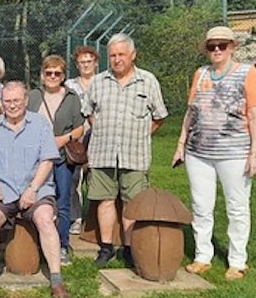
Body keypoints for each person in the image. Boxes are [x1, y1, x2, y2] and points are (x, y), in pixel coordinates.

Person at [172, 26, 256, 281]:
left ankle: (238, 260)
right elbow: (191, 112)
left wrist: (254, 153)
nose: (216, 50)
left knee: (237, 207)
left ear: (232, 47)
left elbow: (255, 114)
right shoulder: (200, 74)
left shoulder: (247, 72)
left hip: (235, 152)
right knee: (201, 205)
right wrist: (181, 144)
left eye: (221, 46)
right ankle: (203, 256)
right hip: (198, 152)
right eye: (211, 46)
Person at [0, 81, 70, 298]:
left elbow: (47, 160)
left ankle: (57, 282)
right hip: (3, 190)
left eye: (16, 100)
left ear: (26, 100)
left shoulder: (41, 125)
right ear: (2, 102)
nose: (12, 105)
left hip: (36, 189)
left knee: (45, 219)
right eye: (7, 101)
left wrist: (33, 189)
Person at [82, 33, 168, 268]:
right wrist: (99, 129)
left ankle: (130, 248)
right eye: (113, 55)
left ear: (133, 55)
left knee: (133, 202)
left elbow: (160, 117)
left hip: (135, 154)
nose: (117, 59)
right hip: (103, 153)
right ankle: (106, 247)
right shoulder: (99, 81)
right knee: (105, 200)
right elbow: (88, 111)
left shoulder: (148, 81)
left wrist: (141, 134)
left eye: (121, 54)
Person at [27, 55, 84, 265]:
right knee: (36, 199)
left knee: (62, 201)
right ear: (42, 75)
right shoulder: (33, 96)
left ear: (63, 75)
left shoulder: (71, 97)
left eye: (57, 73)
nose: (52, 76)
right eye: (49, 72)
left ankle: (61, 245)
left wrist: (63, 139)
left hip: (61, 157)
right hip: (35, 159)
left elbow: (80, 127)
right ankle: (35, 244)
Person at [65, 46, 98, 235]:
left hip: (99, 134)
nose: (85, 65)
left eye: (89, 61)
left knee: (96, 177)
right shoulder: (70, 85)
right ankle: (75, 218)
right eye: (82, 62)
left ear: (95, 63)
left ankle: (95, 220)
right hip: (76, 135)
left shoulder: (103, 81)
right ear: (77, 65)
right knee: (75, 178)